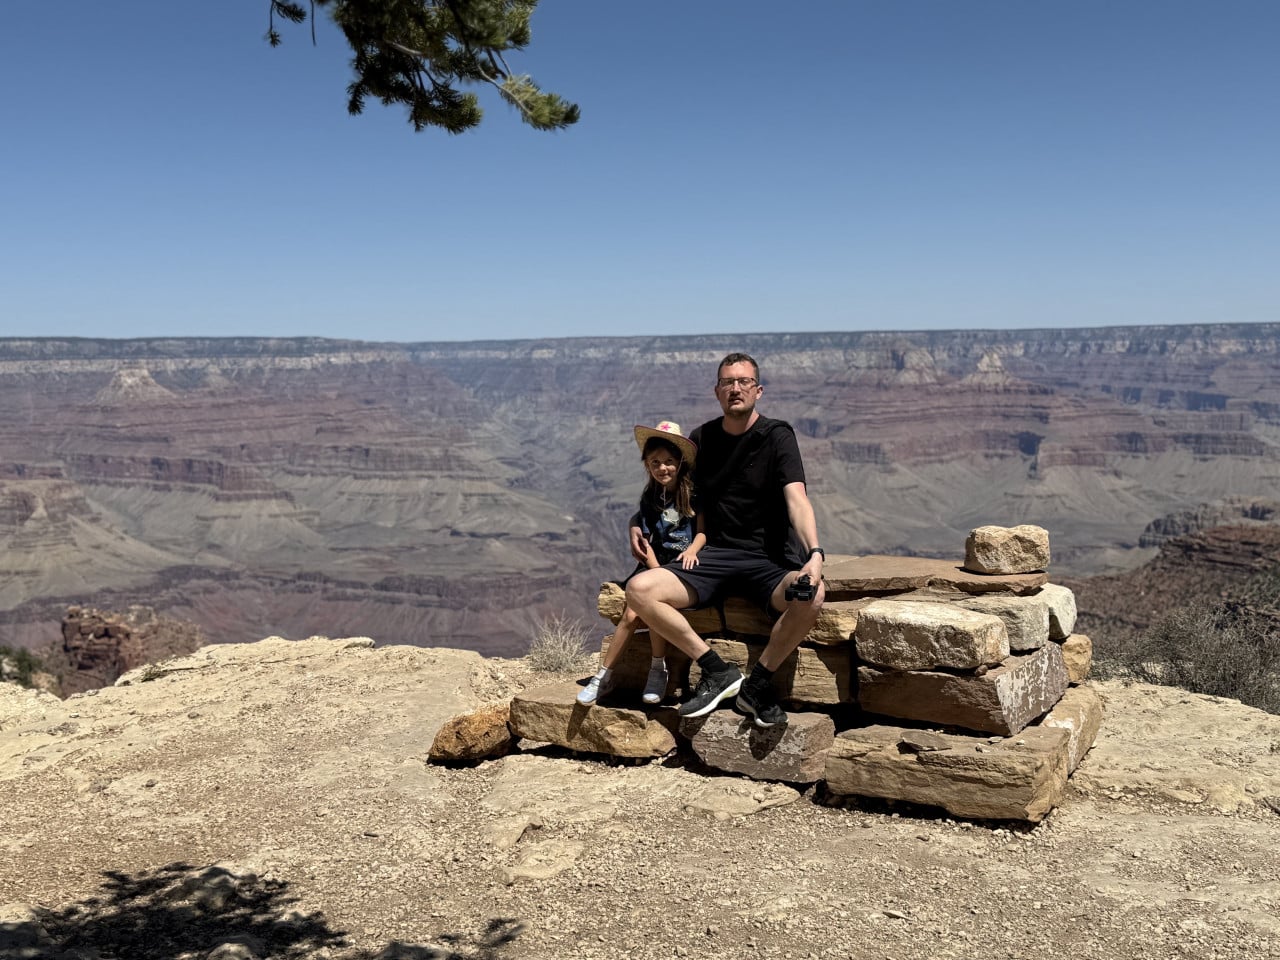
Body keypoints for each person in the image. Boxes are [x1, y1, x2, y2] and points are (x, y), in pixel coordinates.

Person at [625, 353, 826, 728]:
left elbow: (797, 497)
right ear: (717, 391)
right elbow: (669, 485)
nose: (736, 388)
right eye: (728, 382)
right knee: (638, 590)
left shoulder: (777, 436)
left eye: (744, 382)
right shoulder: (702, 439)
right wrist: (637, 520)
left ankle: (757, 685)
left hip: (769, 561)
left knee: (812, 594)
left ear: (758, 390)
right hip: (711, 556)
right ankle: (716, 670)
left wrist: (814, 554)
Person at [578, 421, 706, 705]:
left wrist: (693, 550)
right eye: (655, 462)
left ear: (680, 462)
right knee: (633, 614)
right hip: (654, 564)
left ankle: (656, 669)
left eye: (669, 461)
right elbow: (647, 543)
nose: (663, 468)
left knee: (646, 609)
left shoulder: (692, 492)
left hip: (682, 565)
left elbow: (703, 530)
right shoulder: (650, 498)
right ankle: (605, 675)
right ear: (647, 465)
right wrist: (656, 572)